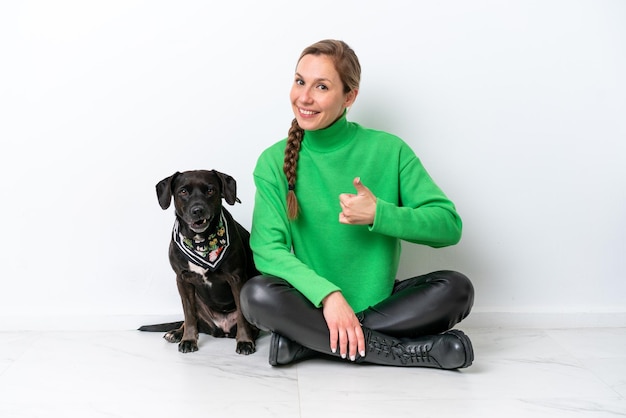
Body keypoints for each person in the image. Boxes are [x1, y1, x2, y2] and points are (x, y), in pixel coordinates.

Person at [240, 39, 474, 369]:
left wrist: (381, 214)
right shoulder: (273, 161)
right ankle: (406, 353)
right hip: (312, 304)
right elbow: (267, 250)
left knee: (457, 288)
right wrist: (328, 296)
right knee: (256, 295)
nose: (304, 97)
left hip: (384, 303)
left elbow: (448, 226)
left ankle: (310, 343)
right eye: (299, 81)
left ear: (349, 96)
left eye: (321, 86)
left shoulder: (390, 150)